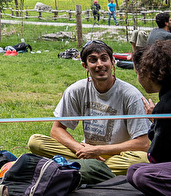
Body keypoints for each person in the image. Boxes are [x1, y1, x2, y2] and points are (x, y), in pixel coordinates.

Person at [26, 40, 150, 174]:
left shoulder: (130, 95)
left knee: (143, 160)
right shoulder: (76, 90)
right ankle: (90, 168)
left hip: (118, 155)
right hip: (84, 152)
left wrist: (99, 150)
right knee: (36, 142)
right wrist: (81, 149)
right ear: (85, 66)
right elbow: (57, 130)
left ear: (112, 62)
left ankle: (78, 168)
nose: (100, 65)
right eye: (93, 60)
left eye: (104, 59)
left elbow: (143, 143)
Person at [126, 40, 171, 196]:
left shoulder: (165, 106)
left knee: (142, 176)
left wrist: (155, 121)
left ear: (149, 72)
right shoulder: (165, 100)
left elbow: (156, 156)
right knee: (133, 171)